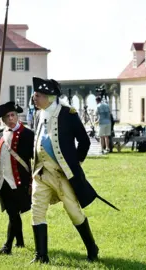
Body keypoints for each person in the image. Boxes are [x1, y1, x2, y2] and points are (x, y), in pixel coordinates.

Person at [29, 77, 118, 264]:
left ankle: (92, 247)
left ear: (49, 97)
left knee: (74, 212)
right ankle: (41, 255)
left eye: (37, 95)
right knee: (37, 211)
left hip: (62, 174)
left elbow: (84, 141)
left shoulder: (68, 114)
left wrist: (75, 163)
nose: (33, 98)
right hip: (41, 173)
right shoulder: (39, 114)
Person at [0, 101, 34, 255]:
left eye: (13, 115)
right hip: (2, 182)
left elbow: (36, 160)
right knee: (13, 213)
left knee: (13, 213)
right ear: (3, 120)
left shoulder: (28, 135)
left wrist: (32, 181)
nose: (11, 118)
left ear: (17, 116)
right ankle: (20, 241)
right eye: (7, 116)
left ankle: (7, 246)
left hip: (20, 181)